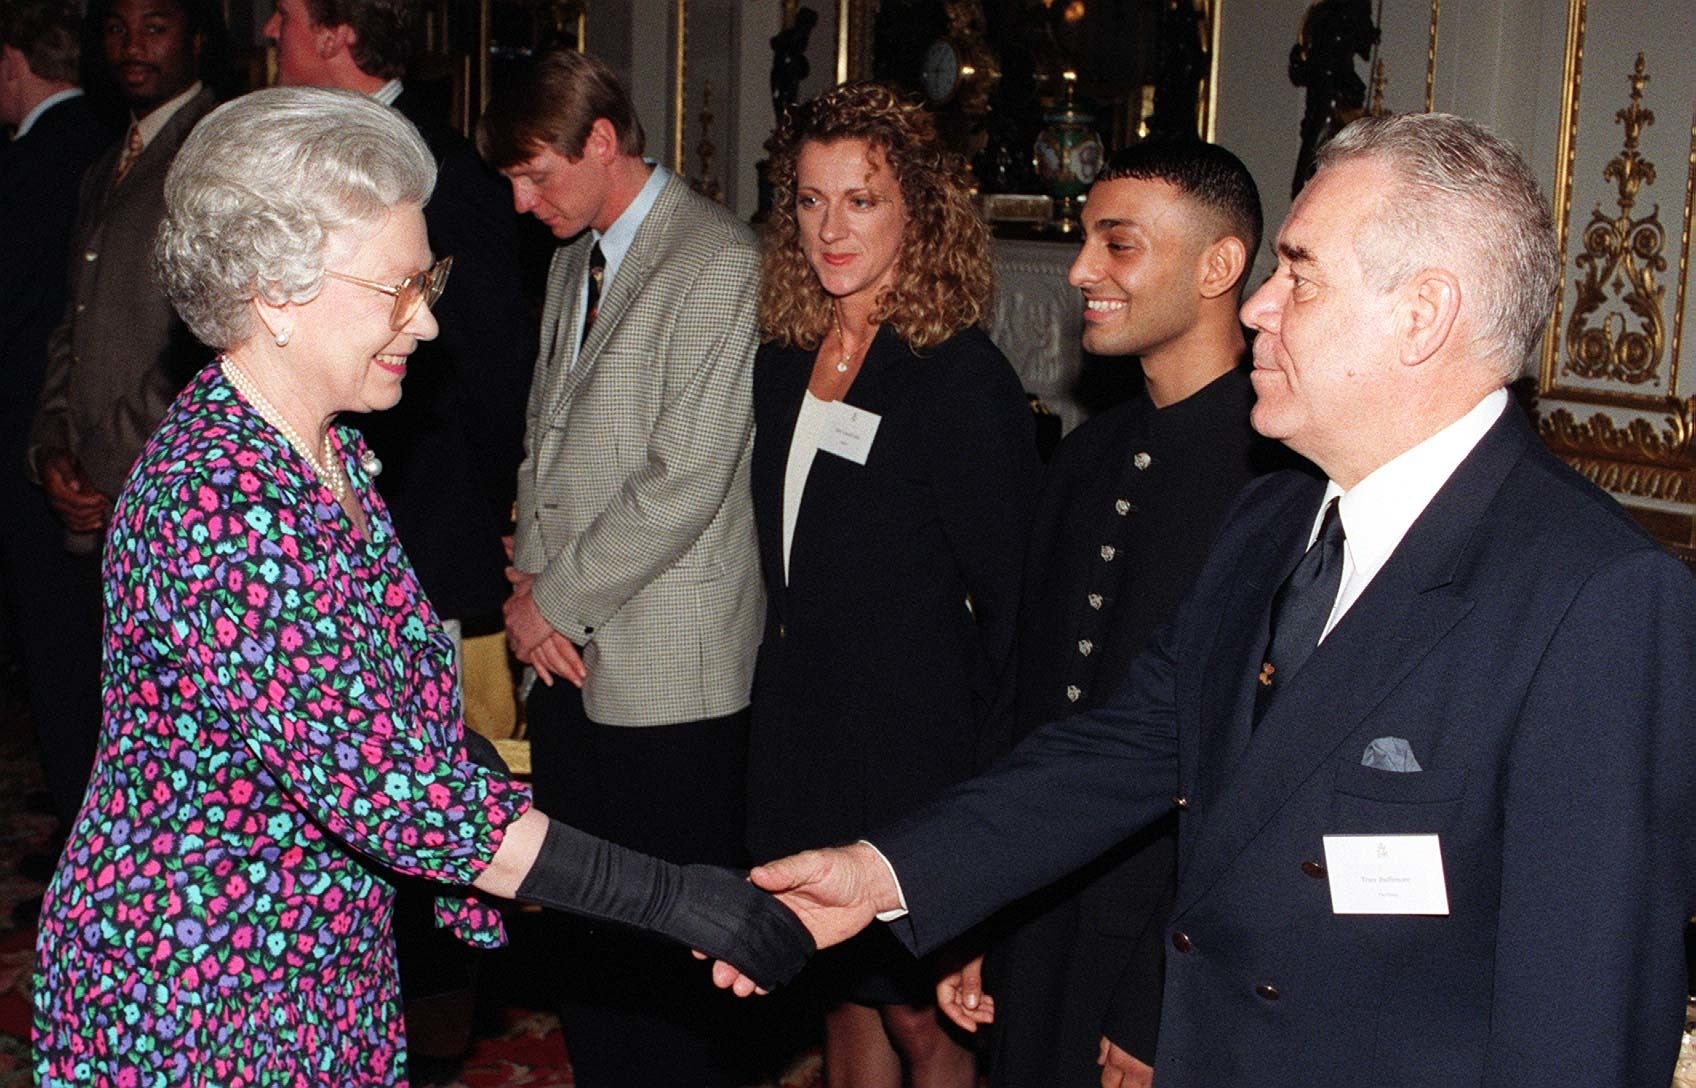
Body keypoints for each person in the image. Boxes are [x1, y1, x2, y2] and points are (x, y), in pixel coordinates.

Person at [720, 112, 1696, 1088]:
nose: (1262, 304)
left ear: (1421, 313)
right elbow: (1123, 746)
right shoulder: (1272, 519)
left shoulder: (1596, 598)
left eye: (1300, 273)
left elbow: (1581, 1021)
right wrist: (888, 868)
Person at [29, 86, 812, 1087]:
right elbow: (394, 793)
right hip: (200, 983)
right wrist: (677, 896)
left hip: (311, 955)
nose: (429, 321)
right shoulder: (219, 498)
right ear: (276, 291)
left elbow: (384, 711)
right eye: (399, 287)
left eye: (427, 278)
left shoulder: (332, 454)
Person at [936, 140, 1299, 1088]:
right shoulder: (1089, 457)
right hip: (1040, 910)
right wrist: (979, 902)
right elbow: (1020, 703)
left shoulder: (1283, 485)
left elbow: (1260, 776)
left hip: (1166, 942)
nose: (1081, 271)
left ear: (1219, 267)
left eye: (1118, 244)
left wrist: (1155, 998)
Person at [477, 51, 767, 1087]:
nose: (521, 201)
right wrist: (526, 590)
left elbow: (683, 477)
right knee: (590, 935)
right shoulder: (575, 254)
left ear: (602, 142)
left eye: (536, 174)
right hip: (561, 647)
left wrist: (545, 598)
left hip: (669, 664)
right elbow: (542, 438)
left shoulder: (717, 259)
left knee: (676, 951)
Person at [749, 81, 1038, 1088]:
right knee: (838, 1000)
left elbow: (1014, 612)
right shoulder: (786, 356)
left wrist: (993, 802)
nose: (830, 227)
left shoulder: (957, 377)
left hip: (913, 754)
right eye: (810, 199)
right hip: (801, 731)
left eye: (860, 200)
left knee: (926, 1021)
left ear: (919, 209)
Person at [263, 0, 534, 669]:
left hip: (416, 546)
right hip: (316, 539)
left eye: (283, 12)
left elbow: (495, 371)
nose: (270, 31)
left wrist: (490, 518)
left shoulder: (441, 172)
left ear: (336, 35)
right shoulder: (313, 160)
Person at [0, 0, 116, 842]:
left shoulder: (38, 161)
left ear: (13, 63)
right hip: (78, 439)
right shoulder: (106, 145)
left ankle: (85, 827)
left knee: (63, 650)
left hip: (44, 439)